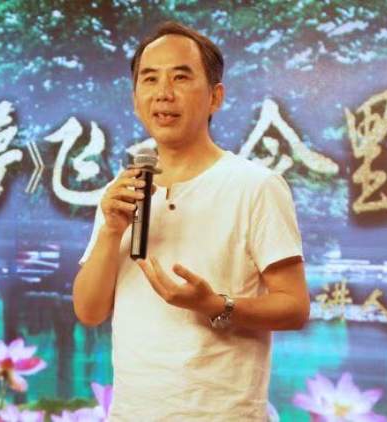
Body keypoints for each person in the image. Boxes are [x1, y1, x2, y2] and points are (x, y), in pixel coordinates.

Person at [72, 21, 310, 420]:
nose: (163, 93)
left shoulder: (256, 186)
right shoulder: (123, 190)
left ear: (215, 97)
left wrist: (214, 305)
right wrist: (112, 230)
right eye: (150, 79)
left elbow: (295, 307)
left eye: (180, 77)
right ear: (135, 99)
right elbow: (89, 311)